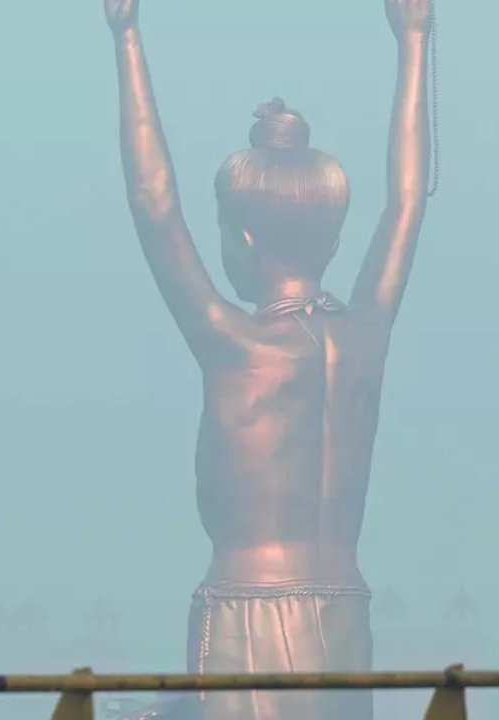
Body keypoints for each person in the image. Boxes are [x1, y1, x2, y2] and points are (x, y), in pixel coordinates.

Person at [102, 0, 432, 717]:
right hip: (345, 609)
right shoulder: (365, 334)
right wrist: (414, 42)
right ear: (333, 240)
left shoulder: (236, 343)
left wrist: (127, 38)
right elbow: (407, 203)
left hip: (246, 610)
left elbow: (154, 205)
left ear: (244, 239)